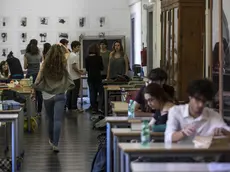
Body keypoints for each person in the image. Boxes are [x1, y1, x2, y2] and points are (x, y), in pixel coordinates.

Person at [34, 44, 74, 152]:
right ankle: (55, 144)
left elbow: (38, 78)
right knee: (57, 120)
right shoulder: (63, 63)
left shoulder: (44, 64)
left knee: (50, 119)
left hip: (47, 95)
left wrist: (35, 85)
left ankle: (51, 140)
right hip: (60, 93)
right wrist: (62, 45)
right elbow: (68, 53)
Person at [165, 79, 230, 143]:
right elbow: (168, 138)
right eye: (197, 99)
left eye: (204, 101)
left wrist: (223, 131)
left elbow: (228, 131)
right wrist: (183, 132)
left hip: (206, 153)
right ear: (190, 97)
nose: (200, 105)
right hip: (182, 153)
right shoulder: (176, 111)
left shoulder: (213, 115)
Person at [24, 39, 43, 115]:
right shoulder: (39, 54)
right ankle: (39, 111)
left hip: (29, 75)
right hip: (38, 75)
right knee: (39, 93)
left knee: (28, 93)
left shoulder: (27, 55)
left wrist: (29, 65)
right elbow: (41, 62)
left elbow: (25, 67)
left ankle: (28, 111)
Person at [66, 41, 84, 111]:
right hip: (75, 77)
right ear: (73, 47)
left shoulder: (69, 55)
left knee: (70, 92)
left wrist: (79, 70)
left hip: (70, 77)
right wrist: (80, 72)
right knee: (75, 93)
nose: (79, 48)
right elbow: (73, 67)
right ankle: (74, 107)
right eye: (78, 47)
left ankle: (69, 106)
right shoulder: (74, 56)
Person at [85, 44, 104, 114]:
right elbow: (102, 68)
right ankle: (100, 107)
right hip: (98, 77)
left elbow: (87, 68)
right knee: (101, 92)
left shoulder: (87, 58)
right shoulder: (99, 58)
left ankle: (93, 108)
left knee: (92, 93)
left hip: (90, 77)